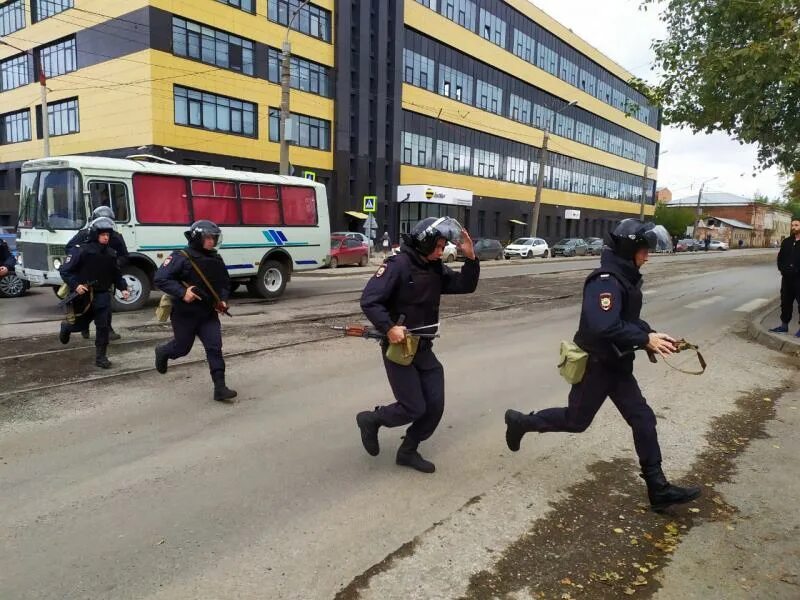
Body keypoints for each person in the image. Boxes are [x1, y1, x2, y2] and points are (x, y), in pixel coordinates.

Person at [504, 219, 701, 512]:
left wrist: (653, 335)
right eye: (643, 250)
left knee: (643, 418)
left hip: (618, 365)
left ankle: (658, 488)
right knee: (576, 421)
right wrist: (643, 339)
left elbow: (628, 321)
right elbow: (603, 326)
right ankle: (522, 422)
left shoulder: (625, 277)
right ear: (629, 249)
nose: (647, 256)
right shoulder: (605, 281)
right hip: (597, 365)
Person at [356, 217, 479, 473]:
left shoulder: (433, 267)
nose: (441, 251)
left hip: (423, 348)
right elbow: (370, 300)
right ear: (423, 243)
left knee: (434, 406)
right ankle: (372, 419)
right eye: (437, 246)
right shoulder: (398, 264)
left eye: (443, 245)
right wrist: (389, 328)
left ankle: (408, 450)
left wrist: (470, 258)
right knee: (413, 407)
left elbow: (465, 285)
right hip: (399, 349)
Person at [153, 220, 236, 402]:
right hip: (185, 314)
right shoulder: (180, 257)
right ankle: (163, 352)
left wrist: (223, 300)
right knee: (182, 348)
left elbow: (224, 283)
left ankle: (220, 388)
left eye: (214, 238)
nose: (212, 242)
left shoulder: (216, 259)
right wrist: (183, 293)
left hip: (208, 314)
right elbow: (160, 278)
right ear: (197, 238)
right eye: (208, 238)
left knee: (215, 348)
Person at [58, 217, 130, 368]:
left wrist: (123, 288)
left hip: (103, 294)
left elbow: (116, 273)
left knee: (103, 326)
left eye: (108, 235)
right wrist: (76, 285)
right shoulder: (80, 250)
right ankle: (66, 328)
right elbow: (65, 271)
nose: (106, 237)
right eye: (103, 234)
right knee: (80, 324)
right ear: (95, 234)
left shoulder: (111, 253)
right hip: (84, 295)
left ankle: (101, 357)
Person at [66, 206, 129, 341]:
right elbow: (70, 248)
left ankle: (108, 328)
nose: (106, 234)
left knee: (105, 303)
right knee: (84, 304)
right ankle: (83, 327)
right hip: (86, 277)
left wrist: (114, 264)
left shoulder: (116, 237)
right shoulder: (84, 234)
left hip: (105, 276)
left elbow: (124, 255)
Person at [769, 217, 800, 336]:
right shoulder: (786, 241)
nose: (794, 227)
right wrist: (782, 269)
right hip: (786, 279)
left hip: (799, 279)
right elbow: (780, 258)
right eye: (792, 225)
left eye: (796, 225)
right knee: (785, 302)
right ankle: (784, 326)